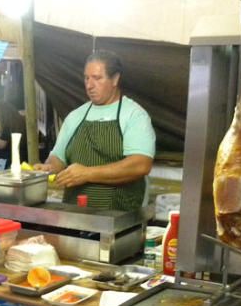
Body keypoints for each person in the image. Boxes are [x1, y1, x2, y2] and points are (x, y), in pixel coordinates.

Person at [36, 50, 155, 211]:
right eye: (86, 78)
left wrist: (87, 173)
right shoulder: (76, 116)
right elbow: (58, 157)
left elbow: (140, 165)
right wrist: (49, 167)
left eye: (97, 78)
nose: (89, 85)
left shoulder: (134, 115)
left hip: (119, 219)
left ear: (115, 79)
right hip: (74, 215)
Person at [0, 101, 27, 171]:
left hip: (12, 157)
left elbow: (1, 145)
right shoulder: (21, 120)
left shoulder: (7, 126)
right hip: (24, 153)